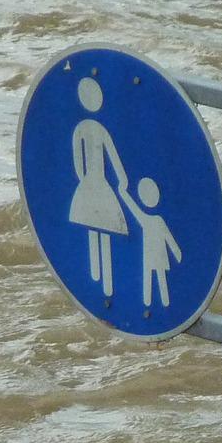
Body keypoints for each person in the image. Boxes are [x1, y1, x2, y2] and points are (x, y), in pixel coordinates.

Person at [68, 77, 129, 295]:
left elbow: (80, 161)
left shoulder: (82, 128)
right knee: (101, 228)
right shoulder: (92, 129)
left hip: (90, 184)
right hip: (97, 184)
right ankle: (104, 286)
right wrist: (121, 179)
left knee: (96, 227)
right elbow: (112, 157)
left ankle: (101, 283)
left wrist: (84, 179)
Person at [124, 177, 182, 309]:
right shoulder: (152, 219)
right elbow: (134, 210)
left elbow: (168, 237)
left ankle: (157, 304)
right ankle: (151, 304)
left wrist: (176, 251)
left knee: (155, 277)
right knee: (151, 277)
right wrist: (124, 194)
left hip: (157, 254)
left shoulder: (155, 220)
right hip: (152, 255)